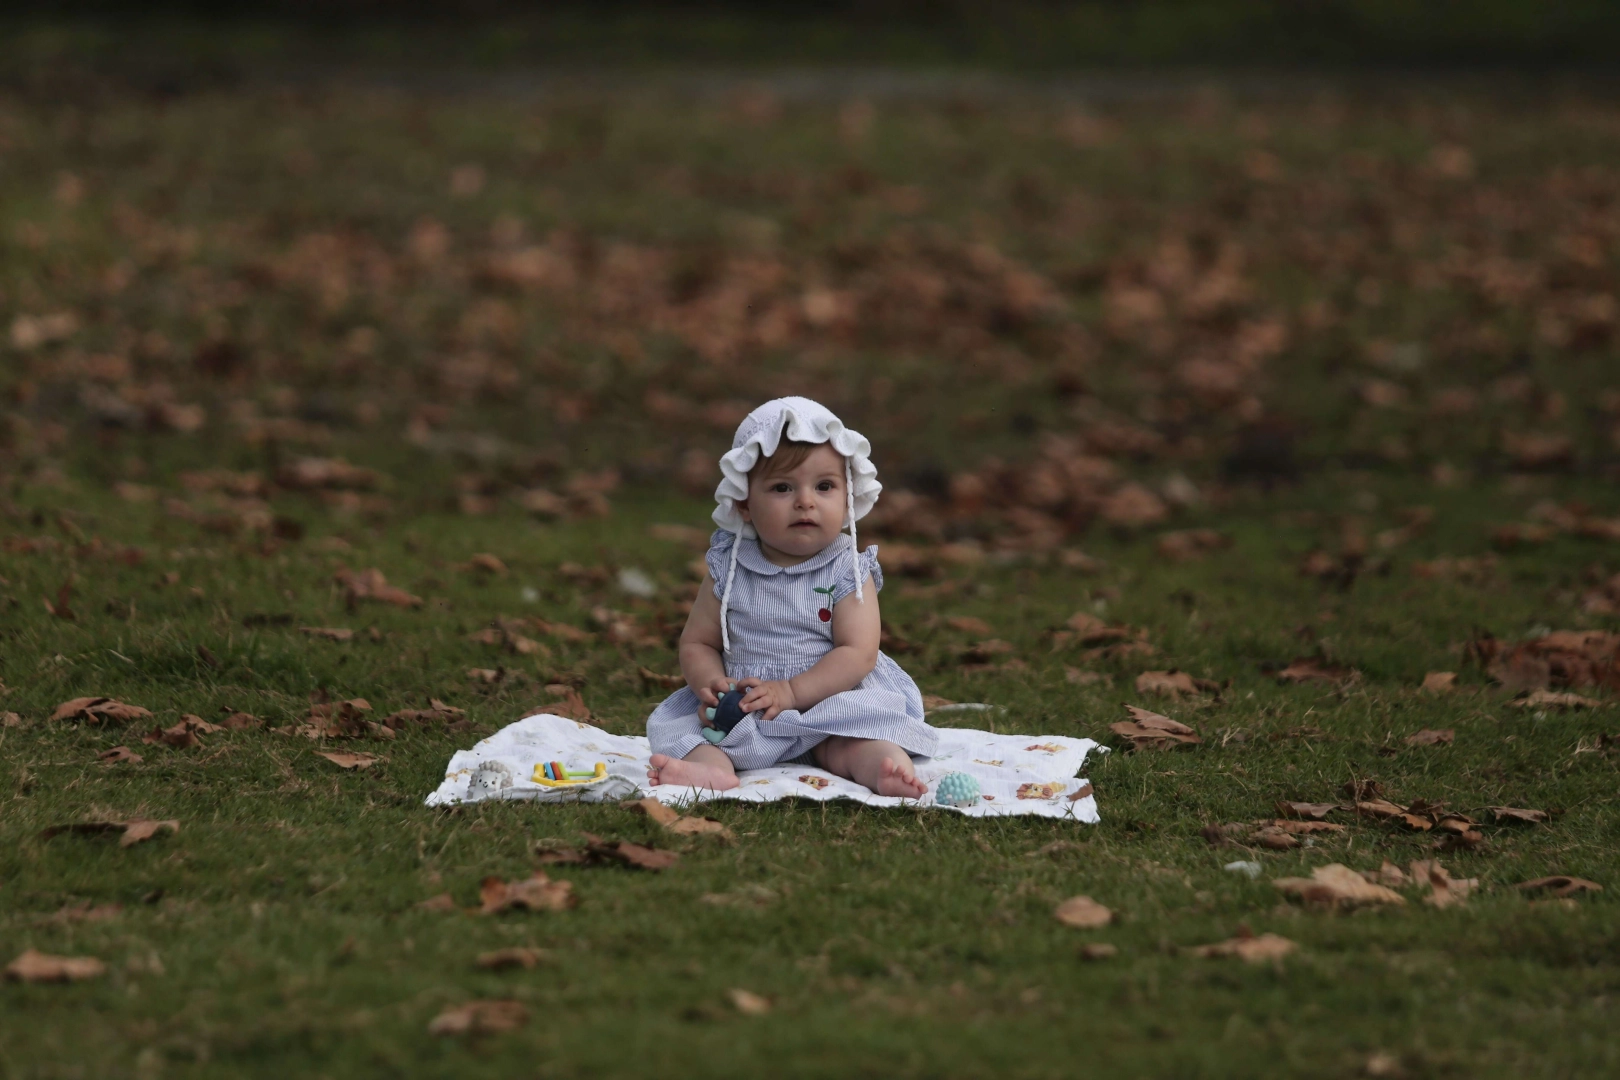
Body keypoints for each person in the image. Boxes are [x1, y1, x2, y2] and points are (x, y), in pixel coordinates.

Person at [646, 396, 938, 796]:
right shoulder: (730, 567)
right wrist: (712, 685)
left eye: (824, 486)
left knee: (860, 735)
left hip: (829, 704)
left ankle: (883, 769)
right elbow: (698, 641)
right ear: (745, 503)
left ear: (848, 494)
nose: (806, 500)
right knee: (687, 733)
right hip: (747, 711)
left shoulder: (847, 569)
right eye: (783, 487)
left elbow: (858, 652)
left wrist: (792, 692)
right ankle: (709, 770)